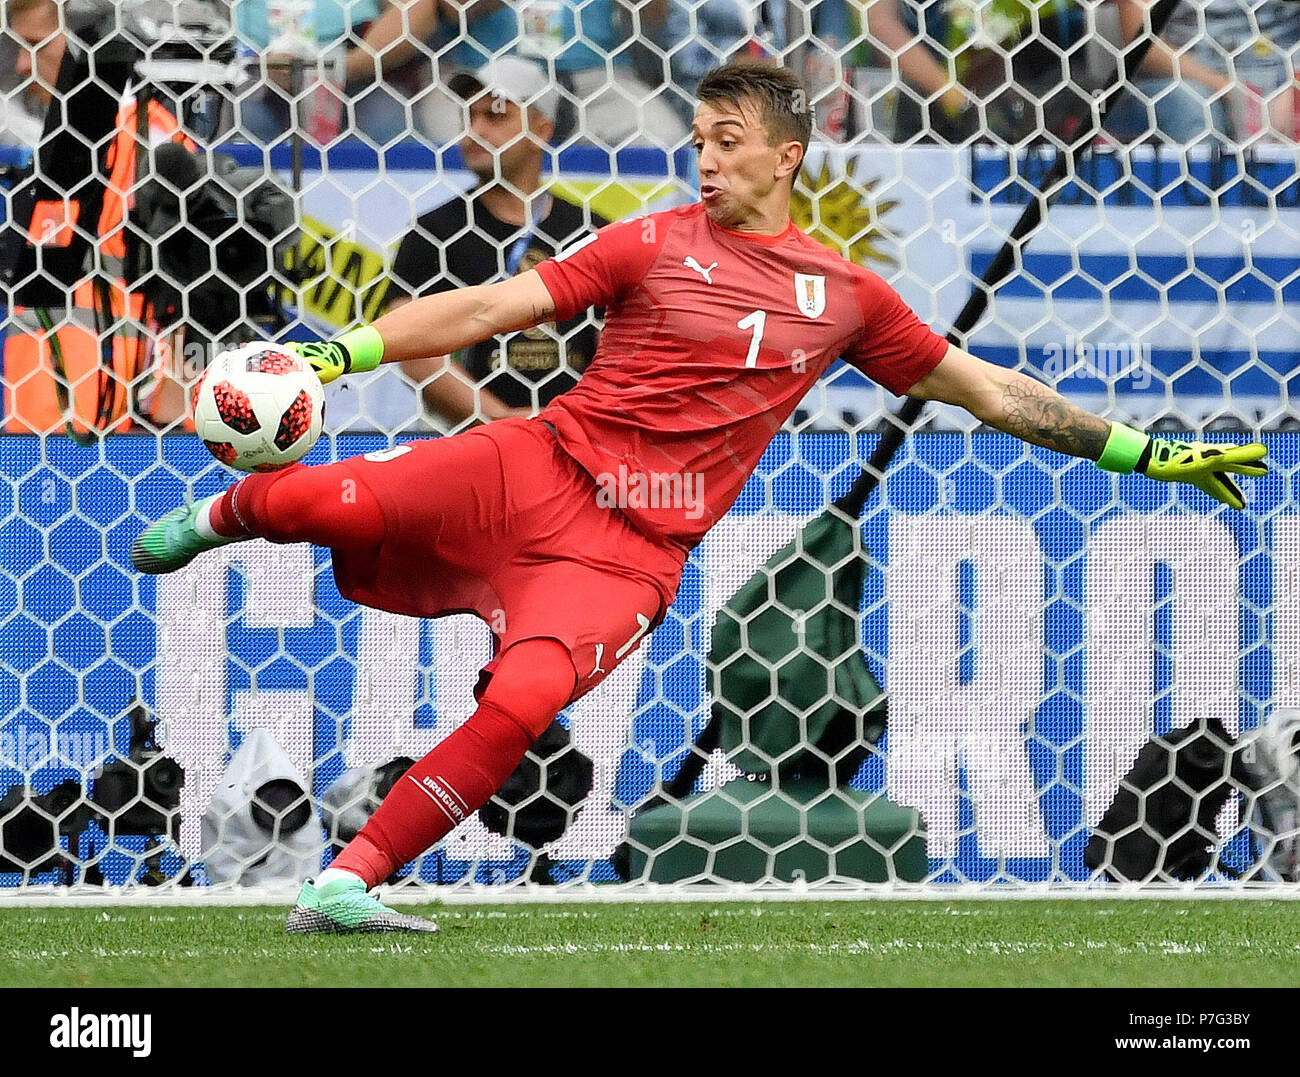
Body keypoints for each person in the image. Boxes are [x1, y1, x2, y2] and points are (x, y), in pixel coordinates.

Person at [130, 59, 1267, 933]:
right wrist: (336, 359)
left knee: (523, 703)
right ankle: (218, 517)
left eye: (727, 143)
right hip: (538, 465)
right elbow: (486, 310)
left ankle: (345, 881)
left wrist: (1151, 454)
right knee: (343, 505)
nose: (705, 161)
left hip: (628, 555)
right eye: (698, 141)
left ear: (785, 159)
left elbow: (991, 393)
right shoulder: (648, 241)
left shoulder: (850, 298)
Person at [387, 56, 609, 427]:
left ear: (541, 130)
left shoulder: (590, 232)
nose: (475, 131)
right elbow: (410, 346)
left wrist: (574, 420)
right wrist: (503, 421)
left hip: (580, 439)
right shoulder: (433, 231)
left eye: (495, 116)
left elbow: (622, 345)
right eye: (469, 117)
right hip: (471, 444)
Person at [1107, 0, 1300, 144]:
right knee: (1193, 109)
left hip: (1287, 73)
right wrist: (1232, 91)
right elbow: (1143, 44)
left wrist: (1294, 85)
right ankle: (1203, 195)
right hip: (1185, 79)